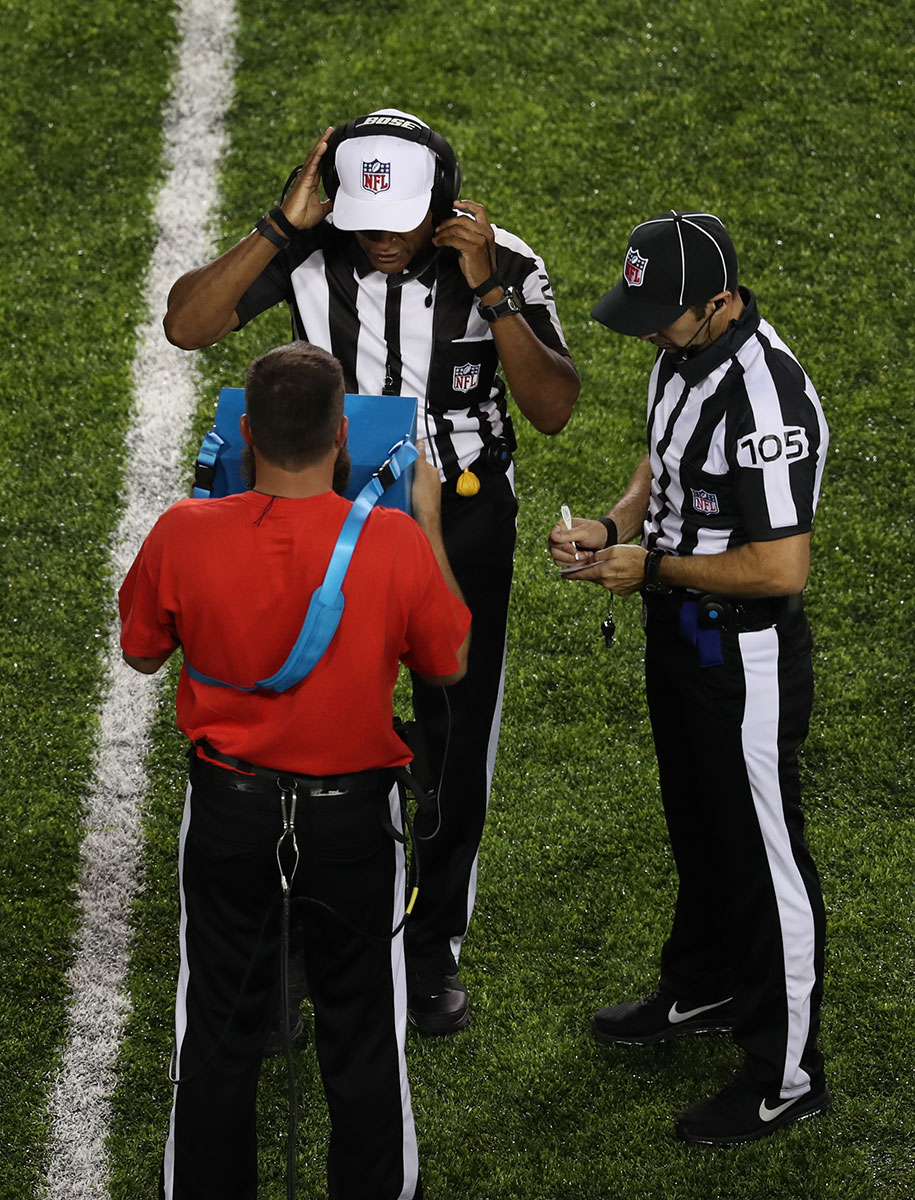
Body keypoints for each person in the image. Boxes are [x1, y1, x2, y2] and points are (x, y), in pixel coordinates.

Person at [164, 107, 579, 1034]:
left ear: (442, 201)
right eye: (366, 218)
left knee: (452, 728)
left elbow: (550, 407)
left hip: (459, 516)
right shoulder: (310, 242)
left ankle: (425, 954)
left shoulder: (499, 257)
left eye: (400, 221)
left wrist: (494, 295)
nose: (382, 240)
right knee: (300, 716)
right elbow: (186, 326)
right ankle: (289, 938)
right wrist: (278, 225)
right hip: (320, 511)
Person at [119, 341, 471, 1200]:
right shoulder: (388, 541)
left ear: (246, 431)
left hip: (230, 813)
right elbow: (451, 659)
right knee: (362, 1034)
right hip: (353, 825)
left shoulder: (182, 531)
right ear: (342, 438)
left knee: (217, 1030)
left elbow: (139, 653)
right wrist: (426, 517)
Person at [548, 210, 831, 1146]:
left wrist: (656, 569)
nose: (648, 328)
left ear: (718, 302)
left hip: (740, 652)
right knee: (700, 827)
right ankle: (704, 983)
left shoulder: (766, 403)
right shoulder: (683, 352)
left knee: (763, 859)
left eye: (663, 313)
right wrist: (614, 526)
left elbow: (780, 569)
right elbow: (659, 462)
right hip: (679, 634)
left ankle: (786, 1074)